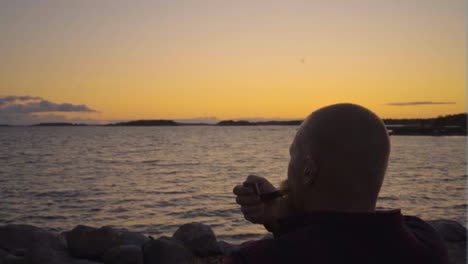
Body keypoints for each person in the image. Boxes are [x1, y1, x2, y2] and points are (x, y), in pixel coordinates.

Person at [224, 103, 449, 264]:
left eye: (293, 155)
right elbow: (343, 230)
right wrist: (279, 213)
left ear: (308, 171)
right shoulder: (427, 242)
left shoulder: (259, 258)